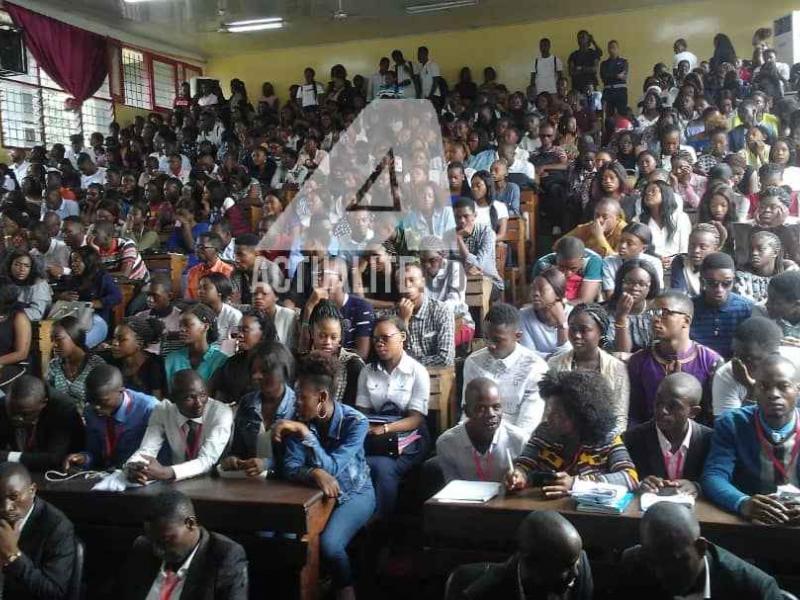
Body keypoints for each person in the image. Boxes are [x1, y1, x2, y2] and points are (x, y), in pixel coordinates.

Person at [276, 352, 374, 600]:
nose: (296, 402)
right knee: (286, 538)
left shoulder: (356, 422)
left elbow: (333, 467)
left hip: (355, 493)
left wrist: (307, 437)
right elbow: (290, 466)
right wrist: (314, 472)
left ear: (322, 398)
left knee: (331, 546)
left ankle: (346, 591)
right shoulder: (299, 420)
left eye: (301, 397)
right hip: (313, 495)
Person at [506, 370, 639, 495]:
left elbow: (630, 478)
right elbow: (524, 465)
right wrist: (519, 475)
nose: (549, 418)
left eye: (558, 414)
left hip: (592, 515)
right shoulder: (543, 433)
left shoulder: (608, 439)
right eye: (549, 410)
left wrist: (577, 484)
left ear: (581, 416)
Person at [703, 354, 800, 521]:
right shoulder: (732, 423)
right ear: (754, 390)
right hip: (750, 523)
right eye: (764, 386)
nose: (773, 394)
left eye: (783, 386)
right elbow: (714, 476)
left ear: (798, 390)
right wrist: (742, 502)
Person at [617, 502, 782, 598]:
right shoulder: (634, 565)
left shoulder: (755, 589)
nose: (661, 574)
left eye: (674, 562)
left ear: (701, 548)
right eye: (652, 562)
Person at [356, 316, 430, 518]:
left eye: (385, 338)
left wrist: (387, 429)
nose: (379, 343)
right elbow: (361, 412)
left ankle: (383, 527)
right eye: (376, 339)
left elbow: (416, 419)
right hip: (375, 436)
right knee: (354, 461)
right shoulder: (367, 371)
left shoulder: (417, 371)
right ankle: (360, 518)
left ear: (402, 337)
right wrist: (372, 430)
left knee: (383, 468)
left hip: (410, 436)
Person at [117, 490, 248, 600]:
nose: (158, 550)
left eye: (166, 540)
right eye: (152, 540)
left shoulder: (224, 556)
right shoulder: (143, 548)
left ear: (190, 523)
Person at [445, 510, 593, 600]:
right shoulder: (479, 593)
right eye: (565, 567)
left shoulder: (581, 565)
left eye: (576, 562)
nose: (576, 572)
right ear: (531, 564)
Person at [628, 291, 723, 426]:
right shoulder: (639, 361)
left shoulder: (711, 362)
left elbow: (714, 416)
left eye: (664, 312)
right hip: (649, 438)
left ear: (686, 320)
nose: (655, 318)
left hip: (697, 439)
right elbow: (634, 414)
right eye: (652, 313)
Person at [126, 369, 233, 483]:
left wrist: (167, 472)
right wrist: (135, 467)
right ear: (173, 398)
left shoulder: (220, 412)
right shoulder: (163, 411)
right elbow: (147, 449)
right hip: (177, 482)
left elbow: (207, 460)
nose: (199, 403)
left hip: (214, 481)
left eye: (202, 395)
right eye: (189, 398)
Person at [463, 303, 548, 436]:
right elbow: (468, 412)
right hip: (478, 436)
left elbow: (527, 426)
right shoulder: (474, 362)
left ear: (518, 336)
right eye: (486, 337)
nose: (490, 345)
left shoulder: (536, 368)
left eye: (497, 340)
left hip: (516, 441)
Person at [623, 373, 712, 496]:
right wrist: (638, 485)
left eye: (673, 406)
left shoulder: (709, 441)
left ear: (693, 412)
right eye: (658, 402)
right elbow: (622, 481)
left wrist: (697, 487)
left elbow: (720, 481)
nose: (662, 410)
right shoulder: (632, 440)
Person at [547, 303, 630, 433]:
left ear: (600, 332)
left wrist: (605, 445)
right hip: (561, 438)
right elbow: (548, 411)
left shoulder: (617, 368)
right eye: (573, 329)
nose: (577, 335)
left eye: (584, 330)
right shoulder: (555, 364)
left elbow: (620, 417)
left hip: (604, 441)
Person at [63, 364, 161, 471]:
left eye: (104, 401)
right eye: (91, 400)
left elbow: (160, 455)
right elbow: (95, 453)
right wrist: (83, 458)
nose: (96, 407)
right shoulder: (90, 411)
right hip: (105, 475)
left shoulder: (149, 408)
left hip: (140, 474)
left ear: (121, 391)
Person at [0, 462, 76, 600]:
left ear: (32, 490)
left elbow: (54, 593)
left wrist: (13, 556)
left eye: (14, 497)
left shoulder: (57, 527)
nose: (6, 507)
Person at [220, 341, 295, 477]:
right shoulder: (247, 403)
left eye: (265, 371)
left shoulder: (298, 407)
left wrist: (267, 464)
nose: (256, 376)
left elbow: (303, 459)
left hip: (290, 486)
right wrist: (233, 460)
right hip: (253, 485)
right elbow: (238, 450)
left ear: (284, 371)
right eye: (253, 371)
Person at [437, 378, 527, 483]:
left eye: (496, 407)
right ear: (467, 411)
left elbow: (525, 481)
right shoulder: (447, 443)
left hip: (507, 498)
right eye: (481, 408)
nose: (491, 414)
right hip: (466, 498)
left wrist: (520, 478)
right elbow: (452, 487)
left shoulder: (518, 440)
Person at [711, 316, 799, 417]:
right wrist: (751, 390)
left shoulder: (796, 366)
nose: (739, 363)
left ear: (775, 355)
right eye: (736, 354)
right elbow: (730, 428)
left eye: (749, 358)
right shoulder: (727, 374)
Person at [0, 375, 84, 471]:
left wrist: (8, 456)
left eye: (25, 414)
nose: (17, 418)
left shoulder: (63, 409)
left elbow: (54, 459)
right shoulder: (5, 404)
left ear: (43, 403)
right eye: (12, 412)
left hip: (61, 471)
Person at [300, 257, 374, 360]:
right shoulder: (311, 305)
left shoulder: (361, 307)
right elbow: (303, 350)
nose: (317, 278)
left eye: (323, 273)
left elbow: (362, 354)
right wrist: (309, 308)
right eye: (316, 274)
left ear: (340, 280)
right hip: (316, 367)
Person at [56, 246, 123, 348]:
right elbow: (54, 294)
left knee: (77, 345)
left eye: (77, 261)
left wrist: (95, 303)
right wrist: (62, 296)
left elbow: (117, 296)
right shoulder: (72, 279)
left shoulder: (102, 277)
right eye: (72, 261)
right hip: (75, 319)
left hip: (97, 319)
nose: (73, 264)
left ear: (88, 261)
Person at [690, 252, 753, 359]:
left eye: (726, 283)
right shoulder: (689, 308)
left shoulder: (747, 309)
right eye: (712, 283)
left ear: (734, 280)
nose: (719, 289)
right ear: (702, 281)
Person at [210, 311, 276, 405]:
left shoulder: (273, 365)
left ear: (263, 335)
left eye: (245, 330)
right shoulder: (232, 363)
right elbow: (219, 393)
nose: (239, 335)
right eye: (239, 330)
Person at [306, 300, 364, 406]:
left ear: (341, 336)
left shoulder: (353, 365)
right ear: (312, 333)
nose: (328, 342)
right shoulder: (303, 363)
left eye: (333, 337)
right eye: (322, 336)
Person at [396, 262, 454, 366]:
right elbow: (393, 356)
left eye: (412, 280)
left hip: (435, 377)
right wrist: (403, 323)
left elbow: (446, 359)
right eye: (401, 282)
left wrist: (408, 364)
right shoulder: (393, 315)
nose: (407, 285)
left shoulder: (441, 310)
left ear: (422, 282)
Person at [46, 316, 106, 413]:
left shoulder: (96, 365)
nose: (54, 344)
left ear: (75, 337)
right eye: (52, 340)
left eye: (58, 339)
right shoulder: (54, 365)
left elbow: (103, 402)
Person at [446, 197, 503, 297]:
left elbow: (478, 265)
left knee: (471, 291)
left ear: (474, 215)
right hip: (460, 282)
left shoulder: (487, 233)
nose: (462, 220)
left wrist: (459, 240)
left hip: (490, 281)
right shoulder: (448, 235)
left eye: (466, 216)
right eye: (457, 217)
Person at [604, 258, 661, 354]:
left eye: (642, 284)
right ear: (620, 283)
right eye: (629, 282)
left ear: (650, 287)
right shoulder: (605, 312)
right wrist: (621, 317)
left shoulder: (658, 311)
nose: (635, 288)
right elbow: (621, 352)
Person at [165, 304, 228, 390]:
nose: (182, 329)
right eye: (180, 325)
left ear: (205, 327)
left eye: (187, 324)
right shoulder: (172, 359)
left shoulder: (220, 360)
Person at [532, 236, 603, 305]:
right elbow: (540, 299)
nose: (568, 273)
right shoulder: (543, 264)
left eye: (573, 268)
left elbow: (586, 300)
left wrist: (559, 306)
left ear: (582, 259)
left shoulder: (593, 262)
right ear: (556, 257)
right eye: (562, 267)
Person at [601, 222, 664, 300]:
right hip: (617, 306)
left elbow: (656, 293)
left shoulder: (654, 263)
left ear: (643, 248)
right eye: (621, 241)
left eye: (629, 243)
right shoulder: (609, 262)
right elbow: (610, 295)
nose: (622, 246)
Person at [519, 266, 572, 359]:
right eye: (533, 289)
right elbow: (527, 354)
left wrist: (562, 324)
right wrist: (555, 358)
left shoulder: (574, 315)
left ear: (557, 293)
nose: (535, 293)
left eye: (541, 289)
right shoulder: (524, 315)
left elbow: (569, 357)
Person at [109, 318, 167, 398]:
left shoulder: (154, 366)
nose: (114, 343)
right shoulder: (112, 363)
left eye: (121, 339)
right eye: (114, 338)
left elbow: (157, 404)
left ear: (139, 343)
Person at [670, 222, 724, 296]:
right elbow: (679, 294)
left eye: (703, 247)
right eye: (692, 246)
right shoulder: (681, 261)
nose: (696, 250)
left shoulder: (722, 266)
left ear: (715, 250)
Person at [733, 231, 786, 304]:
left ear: (775, 253)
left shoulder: (786, 279)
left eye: (761, 249)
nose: (754, 253)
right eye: (751, 249)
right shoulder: (741, 278)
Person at [197, 272, 242, 356]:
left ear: (220, 292)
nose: (200, 291)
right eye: (199, 288)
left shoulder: (233, 315)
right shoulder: (196, 313)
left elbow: (236, 345)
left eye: (206, 288)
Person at [0, 249, 51, 322]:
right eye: (17, 265)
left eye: (26, 266)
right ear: (10, 265)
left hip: (34, 324)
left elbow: (37, 313)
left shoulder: (38, 284)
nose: (22, 269)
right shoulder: (6, 281)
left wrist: (10, 317)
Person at [184, 232, 234, 301]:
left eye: (202, 247)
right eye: (196, 246)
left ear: (216, 250)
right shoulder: (193, 271)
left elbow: (228, 300)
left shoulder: (228, 271)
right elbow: (188, 299)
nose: (197, 250)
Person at [759, 270, 800, 340]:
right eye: (768, 298)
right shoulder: (761, 311)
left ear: (797, 304)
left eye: (775, 302)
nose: (767, 304)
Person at [600, 40, 629, 116]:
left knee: (622, 113)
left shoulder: (623, 62)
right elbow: (604, 77)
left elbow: (623, 76)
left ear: (618, 49)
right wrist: (616, 76)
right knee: (608, 115)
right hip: (608, 91)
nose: (611, 49)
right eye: (610, 47)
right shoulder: (604, 64)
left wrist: (610, 75)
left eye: (614, 47)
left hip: (620, 91)